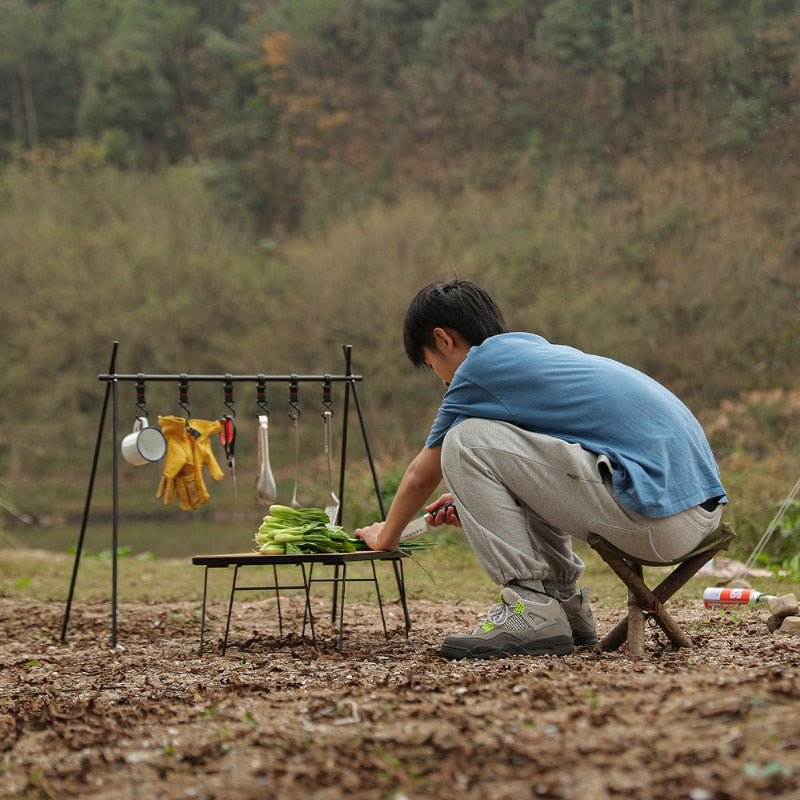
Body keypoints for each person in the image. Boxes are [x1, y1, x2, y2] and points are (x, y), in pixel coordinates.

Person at [355, 279, 727, 660]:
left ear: (443, 339)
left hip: (658, 519)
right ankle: (563, 606)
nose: (444, 380)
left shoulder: (477, 371)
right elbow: (541, 469)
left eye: (433, 365)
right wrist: (484, 500)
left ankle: (530, 607)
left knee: (463, 439)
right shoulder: (531, 356)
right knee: (480, 442)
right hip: (693, 516)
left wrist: (387, 534)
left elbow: (422, 474)